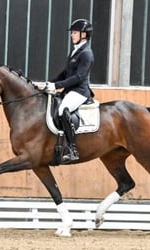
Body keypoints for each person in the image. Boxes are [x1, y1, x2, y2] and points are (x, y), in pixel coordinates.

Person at [46, 19, 95, 162]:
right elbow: (66, 72)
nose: (72, 35)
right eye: (72, 33)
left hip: (79, 91)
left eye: (74, 33)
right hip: (69, 90)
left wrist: (57, 86)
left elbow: (79, 77)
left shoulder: (86, 54)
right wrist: (52, 82)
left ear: (84, 35)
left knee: (63, 110)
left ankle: (72, 148)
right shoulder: (75, 51)